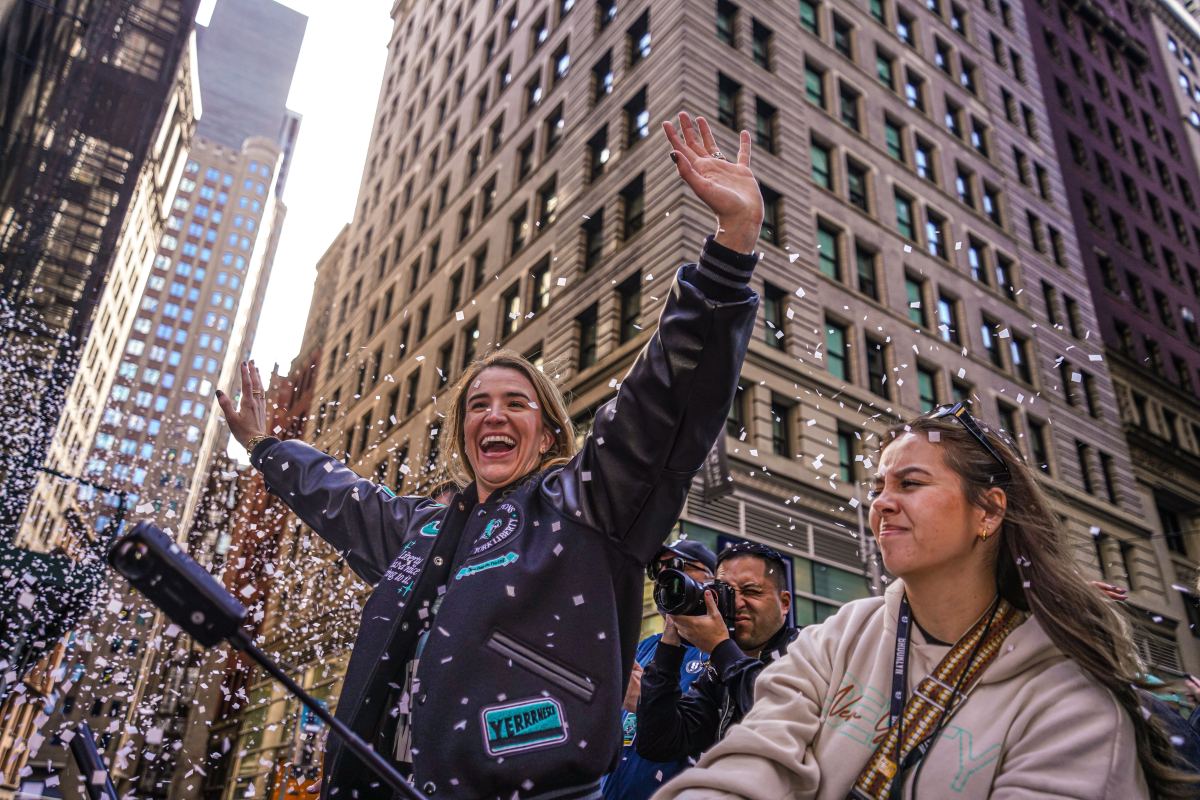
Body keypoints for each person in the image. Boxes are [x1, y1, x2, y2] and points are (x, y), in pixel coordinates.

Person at [216, 112, 765, 800]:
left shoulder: (588, 502)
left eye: (515, 402)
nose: (494, 414)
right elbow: (337, 495)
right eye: (478, 404)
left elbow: (665, 399)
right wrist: (268, 449)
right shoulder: (422, 528)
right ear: (463, 435)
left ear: (551, 434)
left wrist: (731, 251)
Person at [654, 403, 1199, 799]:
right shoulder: (841, 637)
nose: (882, 504)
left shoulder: (1072, 703)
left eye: (910, 484)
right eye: (876, 488)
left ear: (987, 511)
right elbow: (752, 762)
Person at [635, 542, 796, 764]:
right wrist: (670, 648)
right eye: (727, 592)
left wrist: (721, 648)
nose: (737, 603)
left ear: (784, 603)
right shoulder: (718, 673)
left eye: (751, 591)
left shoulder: (808, 648)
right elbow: (658, 743)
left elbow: (778, 719)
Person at [601, 540, 717, 800]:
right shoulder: (643, 647)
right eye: (657, 568)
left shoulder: (721, 652)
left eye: (677, 565)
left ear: (711, 579)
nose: (664, 575)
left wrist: (648, 702)